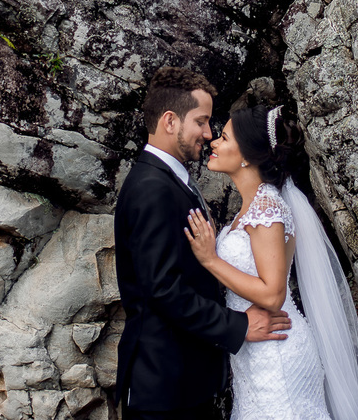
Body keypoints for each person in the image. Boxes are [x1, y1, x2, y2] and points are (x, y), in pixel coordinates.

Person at [114, 67, 292, 420]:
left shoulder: (174, 180)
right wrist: (237, 326)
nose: (208, 134)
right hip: (164, 387)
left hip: (189, 381)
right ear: (169, 121)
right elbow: (162, 289)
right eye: (202, 121)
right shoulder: (152, 187)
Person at [185, 104, 358, 420]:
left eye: (225, 138)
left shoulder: (267, 209)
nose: (214, 143)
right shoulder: (255, 207)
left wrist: (210, 259)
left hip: (277, 353)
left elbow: (273, 294)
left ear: (247, 155)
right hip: (259, 349)